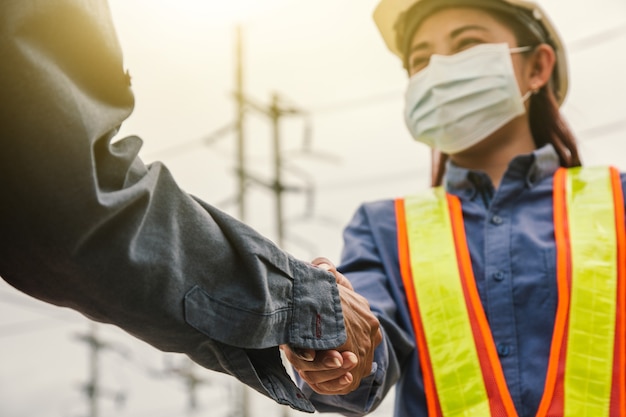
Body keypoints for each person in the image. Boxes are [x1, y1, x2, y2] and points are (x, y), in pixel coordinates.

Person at [0, 0, 381, 413]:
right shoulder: (387, 229)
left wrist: (308, 309)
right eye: (419, 59)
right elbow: (67, 193)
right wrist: (303, 307)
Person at [284, 0, 626, 416]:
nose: (440, 71)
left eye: (467, 45)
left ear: (537, 67)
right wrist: (332, 343)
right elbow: (364, 359)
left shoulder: (618, 202)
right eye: (421, 59)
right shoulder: (384, 228)